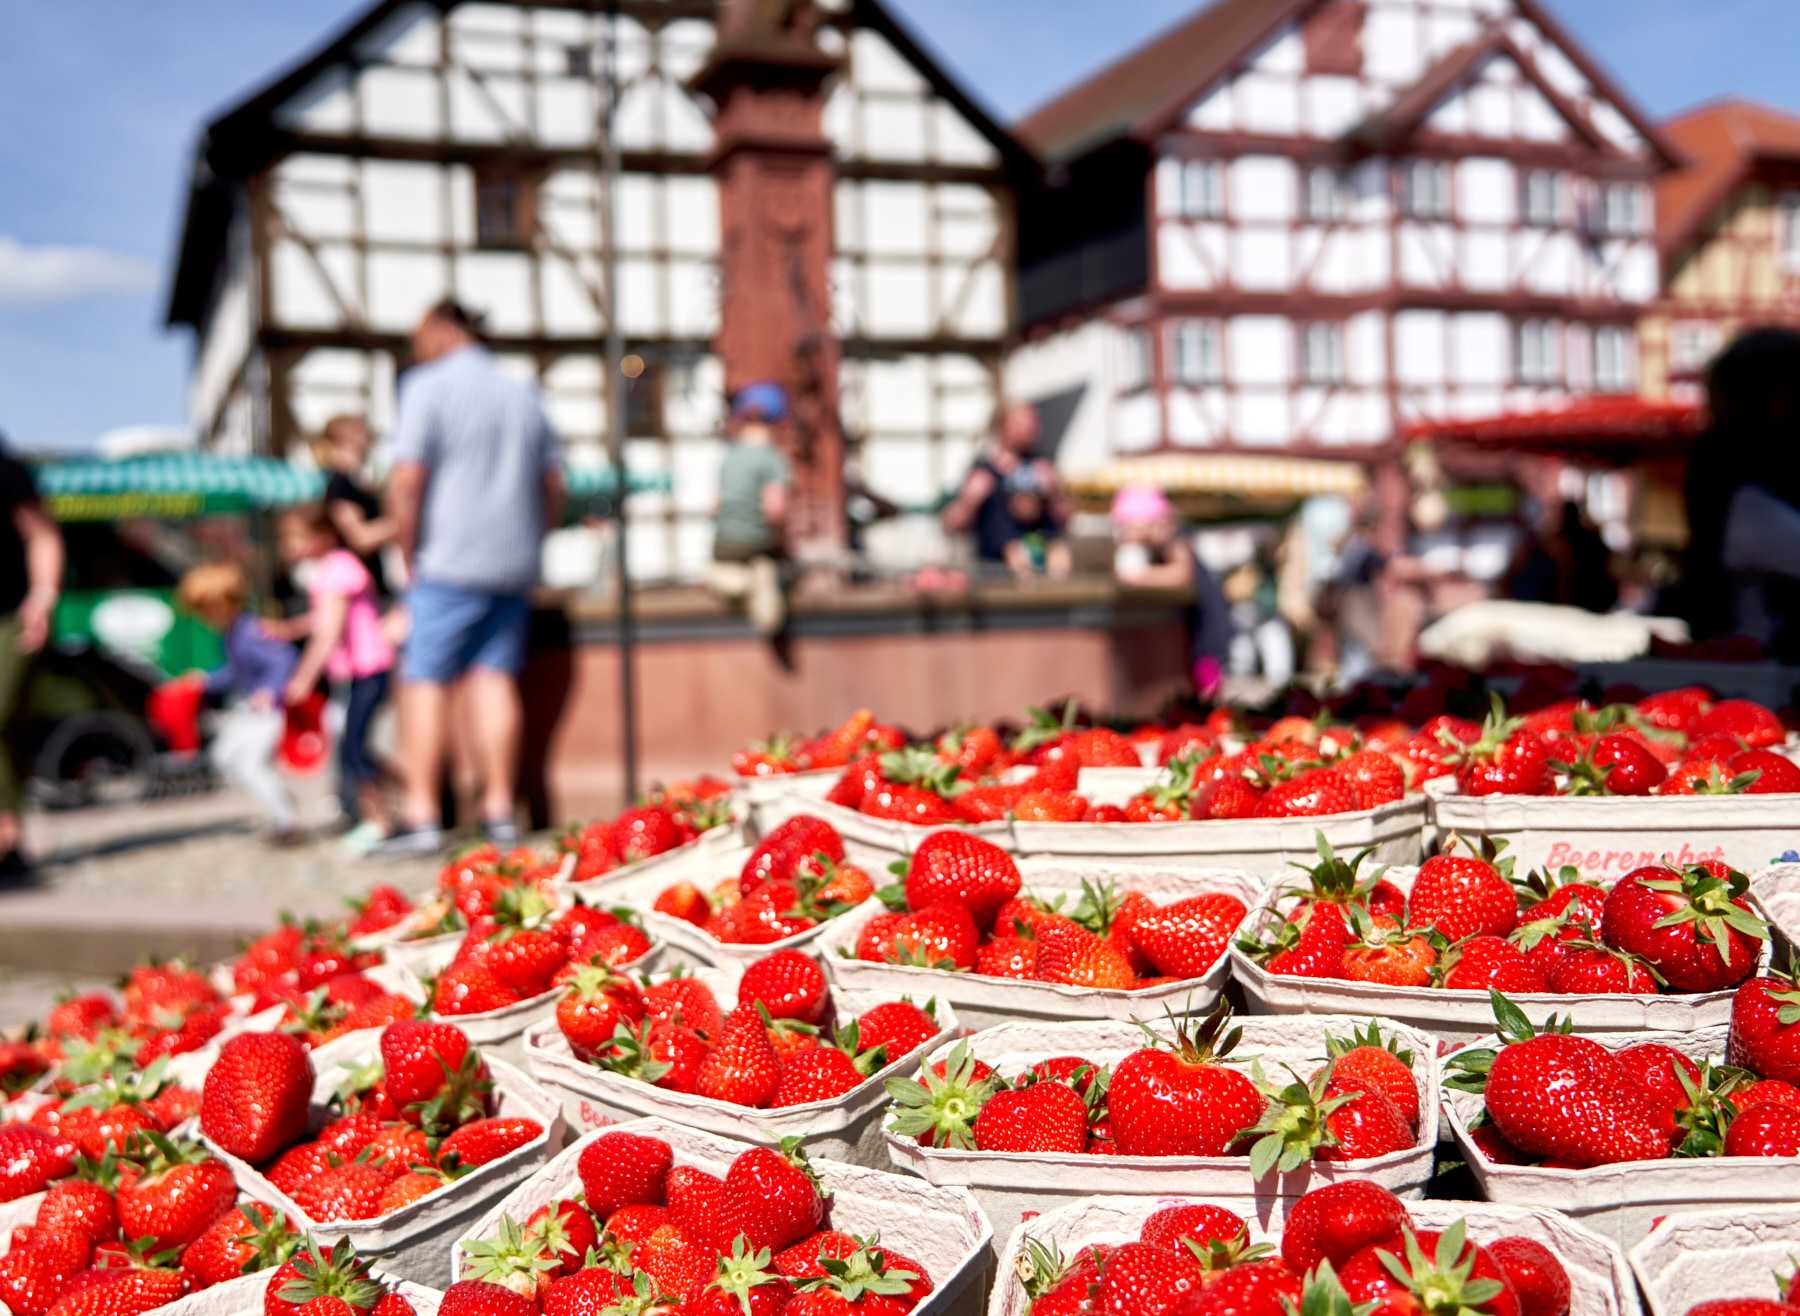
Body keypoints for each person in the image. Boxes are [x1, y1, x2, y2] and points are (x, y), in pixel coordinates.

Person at [377, 299, 563, 857]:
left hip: (449, 557)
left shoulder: (425, 387)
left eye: (418, 336)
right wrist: (534, 540)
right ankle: (501, 811)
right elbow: (553, 484)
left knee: (424, 677)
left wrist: (407, 553)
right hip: (511, 561)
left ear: (440, 327)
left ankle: (422, 814)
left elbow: (407, 480)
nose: (416, 347)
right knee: (494, 677)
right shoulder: (523, 392)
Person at [276, 503, 397, 853]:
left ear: (323, 536)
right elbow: (322, 617)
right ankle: (403, 794)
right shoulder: (331, 569)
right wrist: (289, 628)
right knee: (356, 747)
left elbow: (330, 629)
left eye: (295, 537)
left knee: (354, 748)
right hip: (360, 670)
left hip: (369, 667)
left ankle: (380, 821)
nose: (288, 545)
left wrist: (303, 677)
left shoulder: (339, 568)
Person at [176, 562, 303, 846]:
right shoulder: (232, 634)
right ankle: (280, 803)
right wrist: (205, 680)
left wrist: (269, 690)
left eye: (205, 609)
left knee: (249, 765)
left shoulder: (250, 630)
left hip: (269, 711)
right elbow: (236, 672)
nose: (203, 617)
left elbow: (283, 659)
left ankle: (288, 822)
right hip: (248, 707)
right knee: (223, 757)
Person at [0, 441, 61, 874]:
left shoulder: (4, 467)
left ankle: (6, 835)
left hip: (10, 614)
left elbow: (41, 534)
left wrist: (42, 596)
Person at [1109, 484, 1230, 700]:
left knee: (1207, 684)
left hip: (1206, 628)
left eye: (1128, 526)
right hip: (1195, 628)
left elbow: (1182, 575)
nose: (1124, 533)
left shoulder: (1174, 539)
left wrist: (1139, 577)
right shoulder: (1161, 545)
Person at [942, 401, 1073, 582]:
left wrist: (1054, 493)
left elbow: (1067, 518)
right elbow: (951, 524)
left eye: (1034, 421)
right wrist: (969, 500)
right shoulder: (983, 469)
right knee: (1013, 550)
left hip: (1046, 562)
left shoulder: (1043, 465)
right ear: (1001, 426)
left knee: (1058, 551)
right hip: (997, 571)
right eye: (1022, 422)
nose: (1032, 428)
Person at [706, 382, 792, 635]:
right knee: (773, 569)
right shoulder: (773, 459)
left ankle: (739, 582)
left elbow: (713, 505)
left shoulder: (729, 457)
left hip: (726, 544)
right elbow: (774, 510)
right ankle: (759, 577)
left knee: (713, 574)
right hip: (758, 543)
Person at [311, 415, 397, 595]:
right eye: (367, 434)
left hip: (365, 583)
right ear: (349, 437)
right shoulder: (339, 484)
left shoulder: (353, 482)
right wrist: (403, 524)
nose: (371, 441)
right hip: (353, 590)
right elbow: (359, 538)